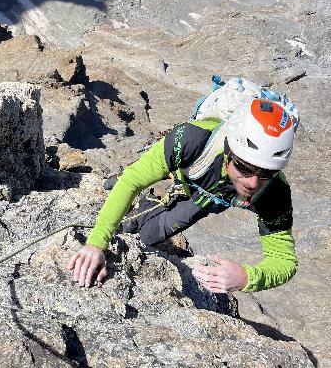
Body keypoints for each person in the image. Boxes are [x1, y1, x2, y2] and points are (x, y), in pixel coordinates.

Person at [67, 98, 298, 293]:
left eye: (267, 172)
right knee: (132, 185)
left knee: (148, 236)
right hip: (192, 171)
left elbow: (284, 261)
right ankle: (145, 194)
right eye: (245, 168)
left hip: (207, 198)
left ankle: (148, 203)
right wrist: (97, 243)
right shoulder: (191, 139)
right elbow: (133, 180)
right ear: (229, 151)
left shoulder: (274, 192)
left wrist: (248, 278)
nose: (253, 183)